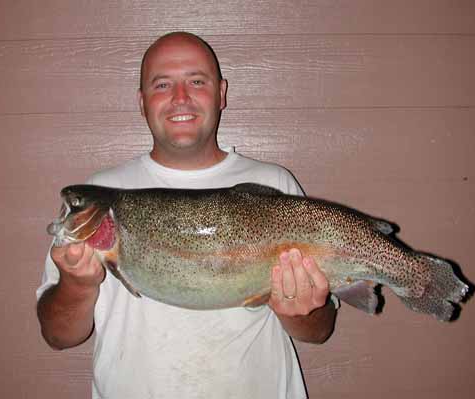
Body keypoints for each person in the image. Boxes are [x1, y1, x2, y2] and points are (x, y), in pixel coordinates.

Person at [37, 31, 337, 399]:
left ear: (221, 93)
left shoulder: (274, 185)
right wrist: (78, 285)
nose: (181, 97)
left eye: (197, 81)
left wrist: (297, 310)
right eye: (162, 84)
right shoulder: (99, 194)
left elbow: (319, 331)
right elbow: (58, 336)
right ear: (141, 101)